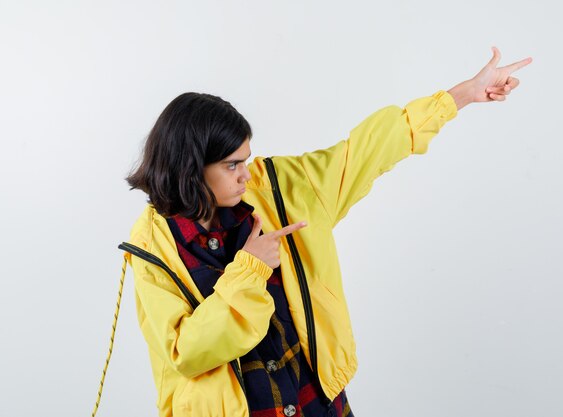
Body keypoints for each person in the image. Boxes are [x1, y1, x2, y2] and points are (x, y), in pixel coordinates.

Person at [119, 47, 532, 417]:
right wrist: (249, 271)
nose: (246, 174)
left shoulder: (284, 187)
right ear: (192, 168)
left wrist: (459, 97)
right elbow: (188, 353)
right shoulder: (152, 250)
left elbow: (367, 150)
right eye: (232, 165)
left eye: (246, 159)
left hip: (318, 404)